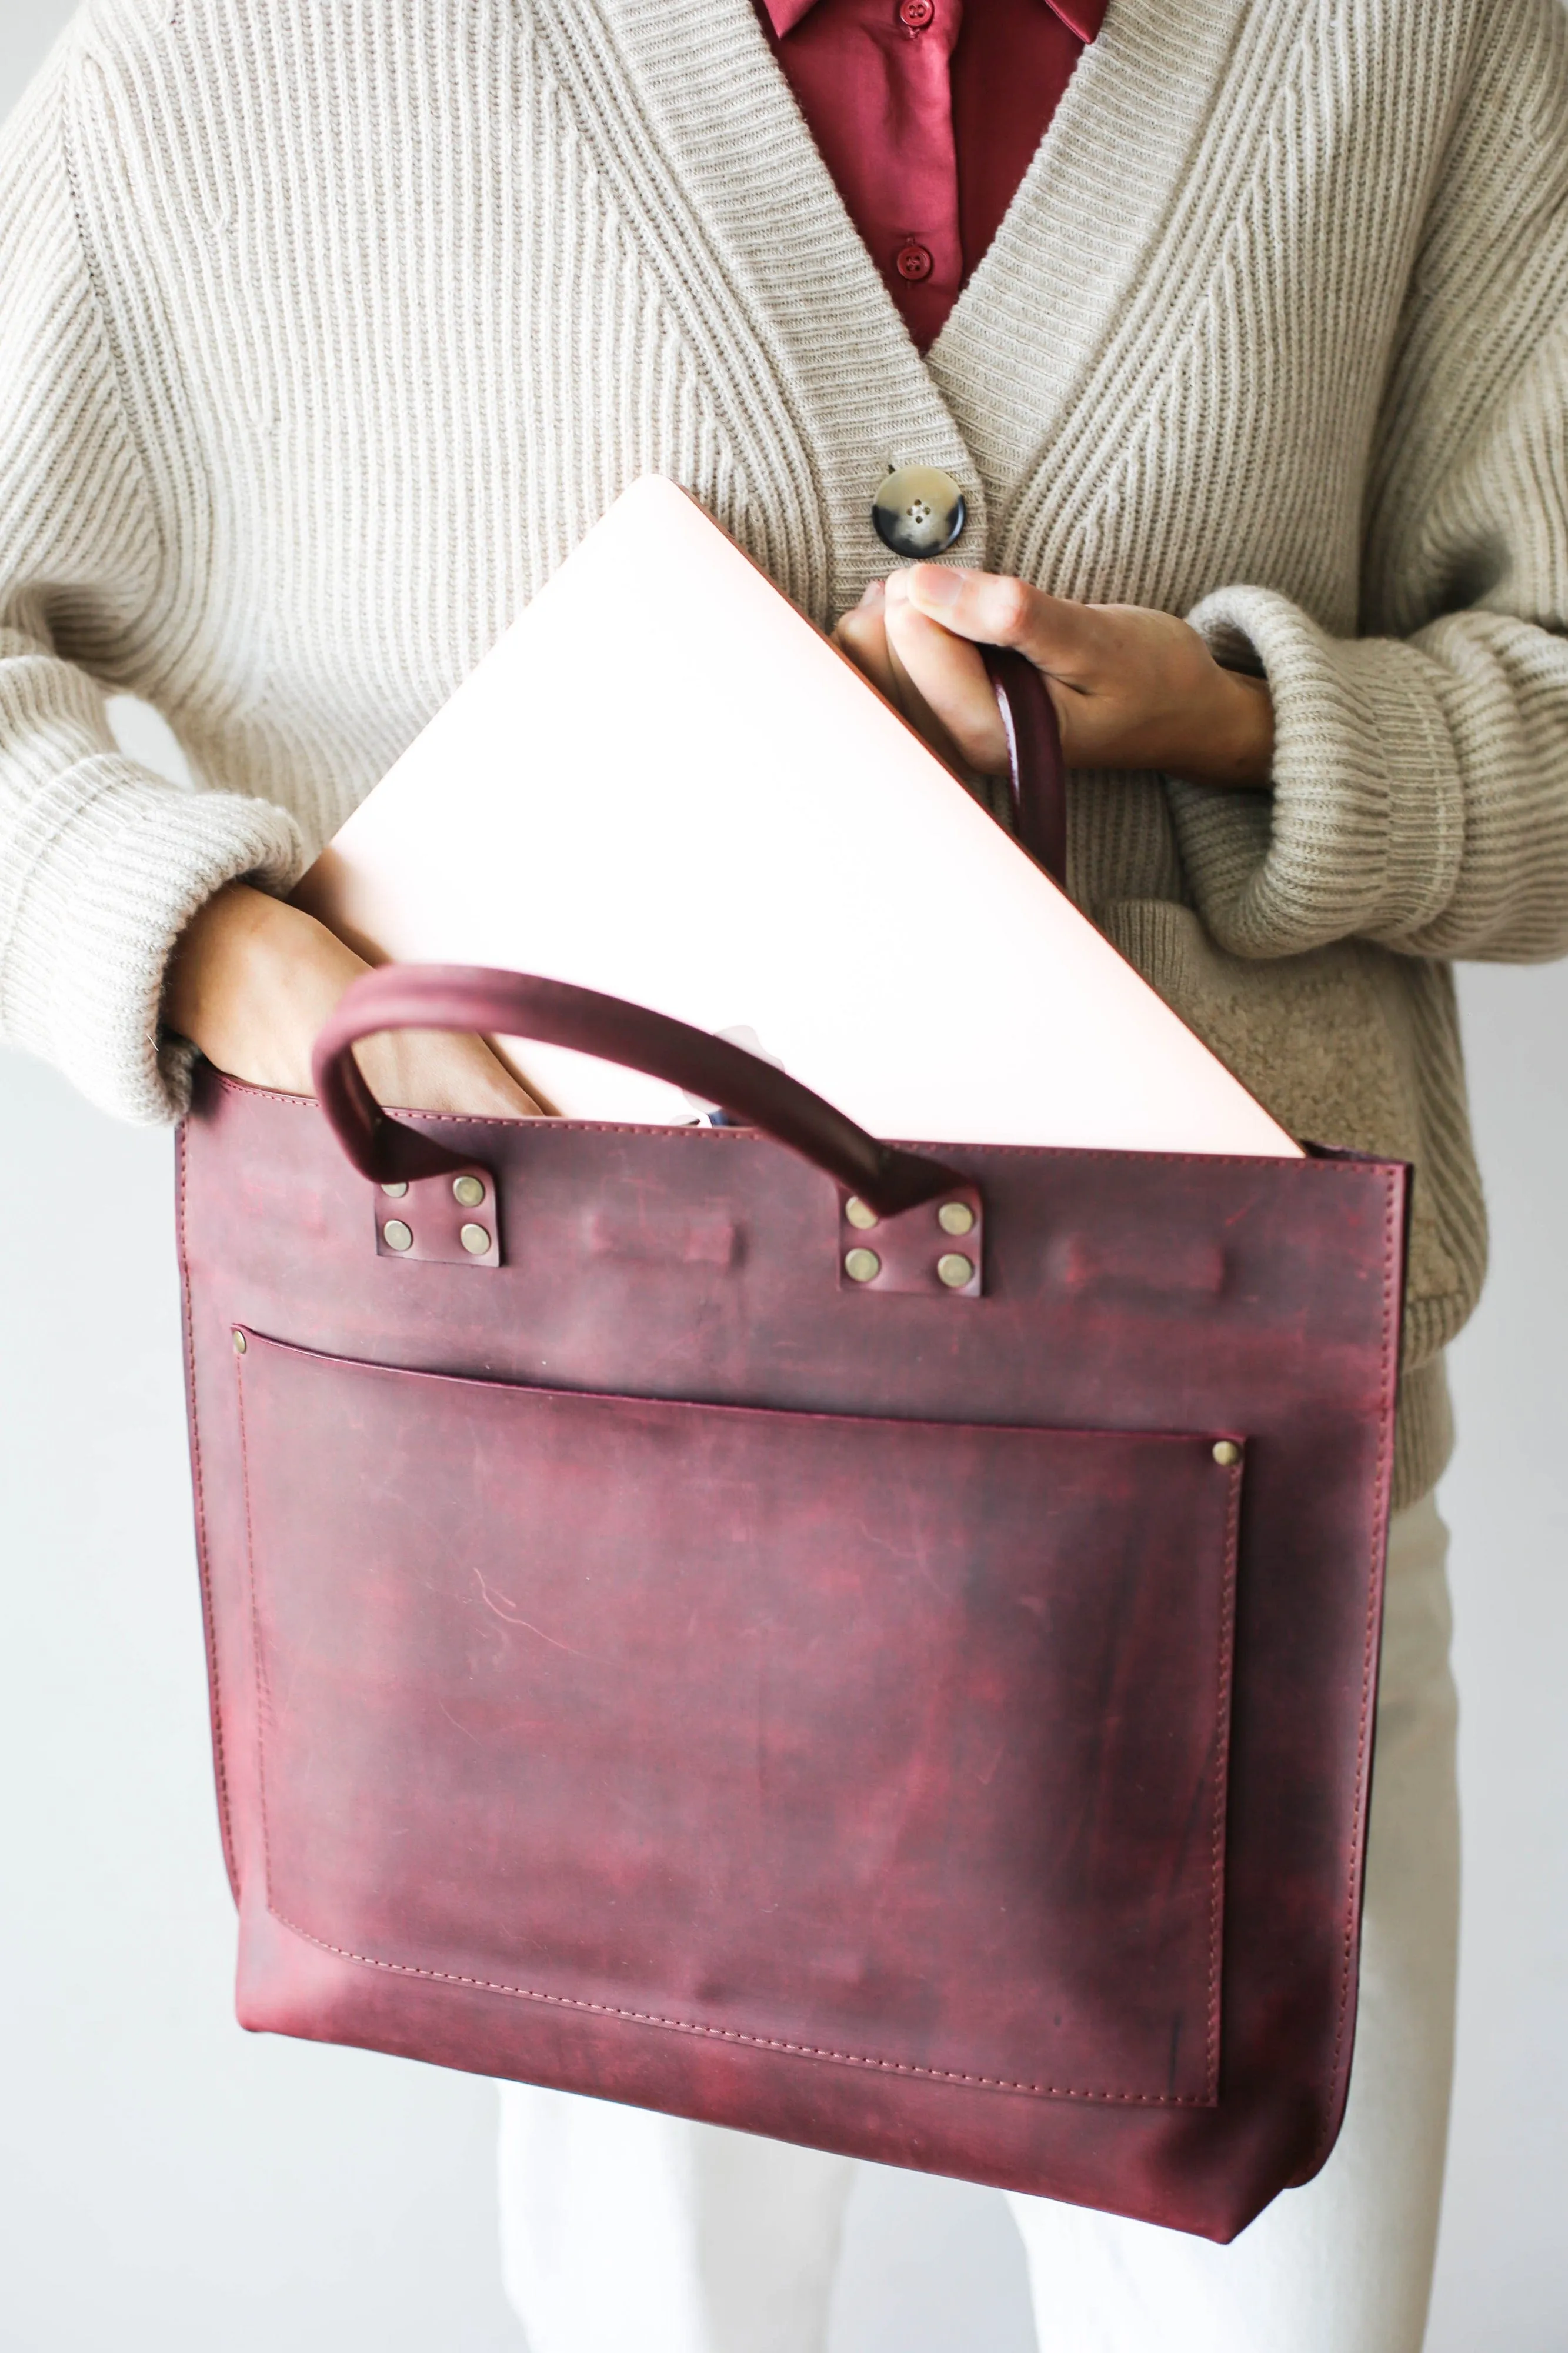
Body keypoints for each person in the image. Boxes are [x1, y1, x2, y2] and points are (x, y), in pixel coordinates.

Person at [2, 1, 1564, 2346]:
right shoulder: (231, 50)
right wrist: (224, 954)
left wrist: (1223, 717)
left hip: (1232, 1560)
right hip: (580, 1537)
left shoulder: (1416, 36)